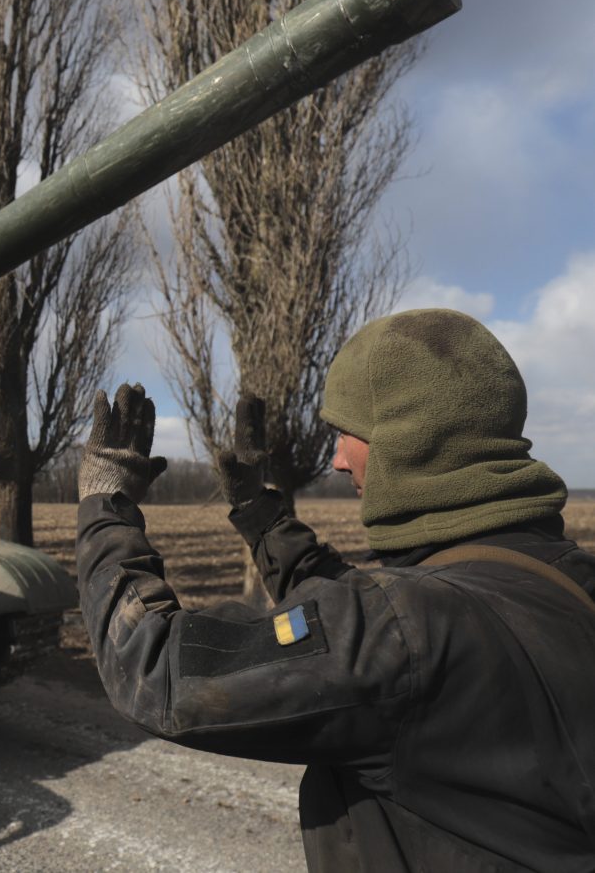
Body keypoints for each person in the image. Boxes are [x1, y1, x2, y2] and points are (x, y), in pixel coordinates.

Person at [76, 308, 595, 871]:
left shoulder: (406, 625)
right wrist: (260, 517)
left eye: (348, 433)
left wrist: (106, 507)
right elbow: (357, 619)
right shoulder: (564, 576)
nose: (337, 458)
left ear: (412, 439)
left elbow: (157, 673)